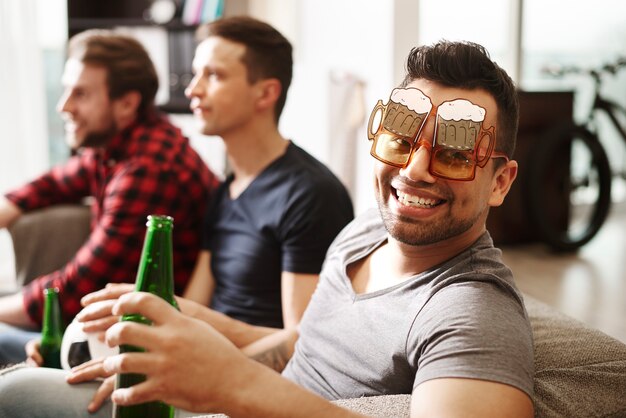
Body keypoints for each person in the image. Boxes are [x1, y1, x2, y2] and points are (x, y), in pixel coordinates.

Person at [0, 40, 534, 418]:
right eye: (401, 139)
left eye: (455, 155)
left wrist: (232, 384)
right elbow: (305, 345)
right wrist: (183, 327)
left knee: (16, 397)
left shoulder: (472, 312)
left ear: (501, 181)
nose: (415, 170)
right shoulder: (366, 230)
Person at [0, 30, 219, 365]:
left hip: (140, 342)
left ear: (127, 103)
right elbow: (58, 181)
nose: (64, 106)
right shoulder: (118, 144)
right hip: (110, 322)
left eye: (81, 94)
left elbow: (76, 289)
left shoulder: (148, 168)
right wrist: (9, 206)